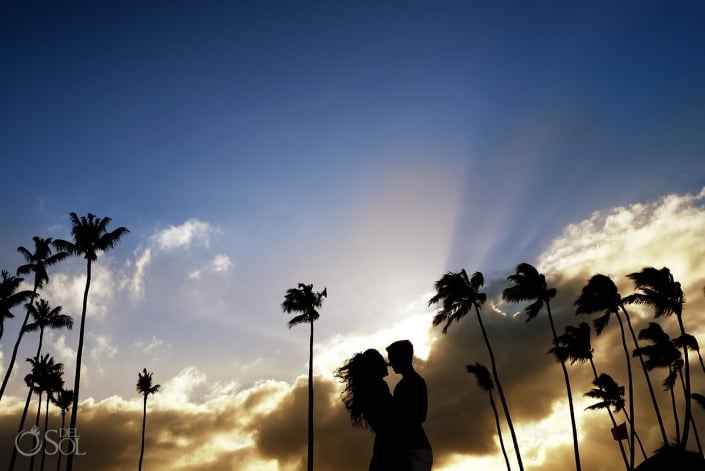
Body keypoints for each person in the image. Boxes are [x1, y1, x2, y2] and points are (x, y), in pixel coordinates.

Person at [336, 349, 407, 471]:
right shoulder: (378, 386)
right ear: (375, 366)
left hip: (384, 444)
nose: (387, 364)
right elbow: (390, 417)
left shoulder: (369, 388)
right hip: (390, 445)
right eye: (381, 361)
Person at [386, 340, 433, 471]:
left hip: (415, 448)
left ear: (403, 358)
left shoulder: (412, 383)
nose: (390, 363)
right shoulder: (408, 383)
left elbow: (420, 416)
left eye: (392, 359)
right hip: (413, 446)